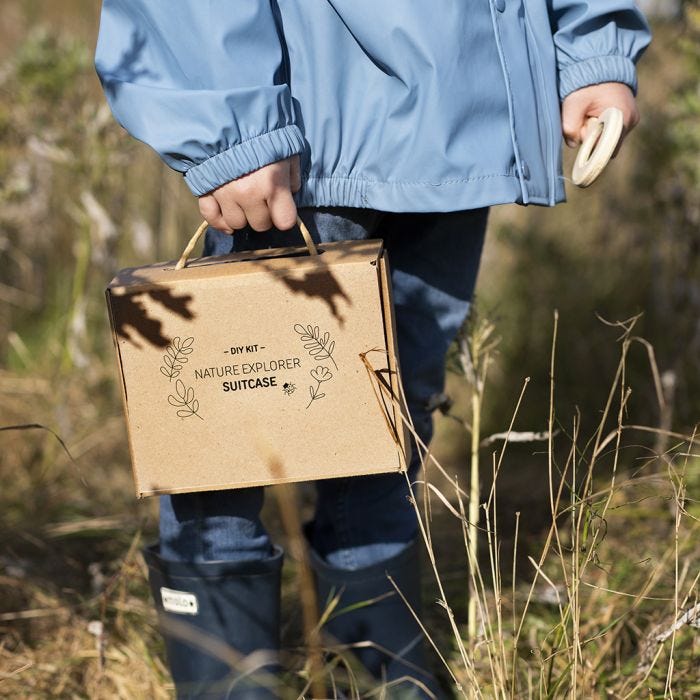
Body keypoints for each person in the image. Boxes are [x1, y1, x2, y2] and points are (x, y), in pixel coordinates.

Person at [95, 2, 651, 697]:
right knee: (223, 437)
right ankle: (230, 681)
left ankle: (376, 672)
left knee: (390, 419)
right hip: (308, 127)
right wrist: (233, 125)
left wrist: (591, 46)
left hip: (464, 121)